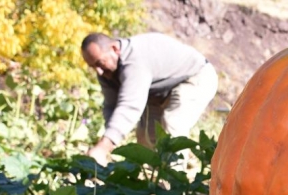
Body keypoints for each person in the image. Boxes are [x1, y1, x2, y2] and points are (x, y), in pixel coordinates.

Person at [80, 32, 218, 169]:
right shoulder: (106, 72)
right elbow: (111, 106)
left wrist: (103, 147)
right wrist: (108, 140)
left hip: (195, 77)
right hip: (157, 91)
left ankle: (175, 185)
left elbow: (130, 105)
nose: (98, 71)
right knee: (145, 135)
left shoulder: (134, 60)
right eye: (92, 66)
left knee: (172, 125)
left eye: (99, 63)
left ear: (114, 49)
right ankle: (153, 183)